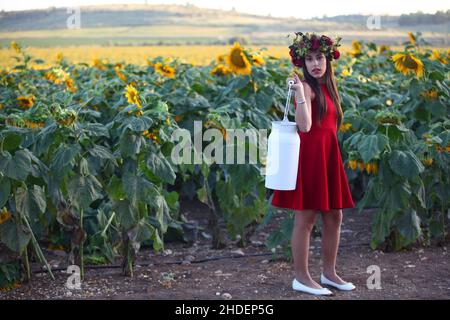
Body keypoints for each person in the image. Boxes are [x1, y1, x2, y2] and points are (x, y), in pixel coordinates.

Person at [271, 32, 356, 296]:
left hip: (328, 156)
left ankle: (328, 273)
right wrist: (298, 93)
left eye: (319, 57)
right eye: (308, 59)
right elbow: (305, 126)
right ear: (302, 63)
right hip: (309, 159)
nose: (315, 63)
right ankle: (301, 277)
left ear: (328, 60)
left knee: (335, 215)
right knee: (306, 218)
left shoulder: (329, 88)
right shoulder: (306, 88)